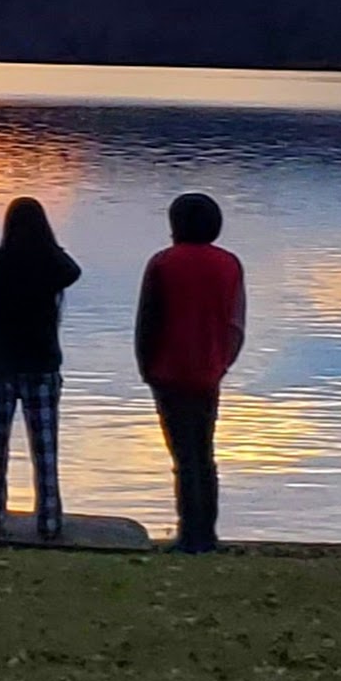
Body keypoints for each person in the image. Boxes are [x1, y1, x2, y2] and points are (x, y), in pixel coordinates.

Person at [0, 196, 83, 541]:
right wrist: (51, 245)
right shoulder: (50, 266)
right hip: (41, 367)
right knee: (45, 450)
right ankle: (49, 523)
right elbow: (72, 270)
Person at [135, 192, 247, 554]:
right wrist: (223, 363)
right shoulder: (230, 264)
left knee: (183, 457)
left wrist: (145, 367)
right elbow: (236, 322)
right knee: (204, 453)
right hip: (209, 372)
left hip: (168, 371)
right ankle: (207, 533)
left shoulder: (163, 263)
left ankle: (189, 535)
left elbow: (147, 321)